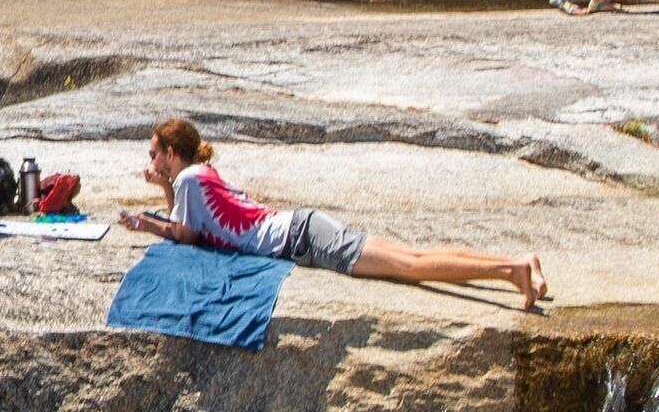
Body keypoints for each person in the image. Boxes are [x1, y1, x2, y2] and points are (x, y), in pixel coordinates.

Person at [117, 120, 547, 313]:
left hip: (304, 239)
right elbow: (187, 219)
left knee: (411, 268)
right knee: (412, 256)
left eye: (154, 153)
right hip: (305, 227)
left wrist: (145, 221)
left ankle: (510, 270)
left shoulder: (190, 179)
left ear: (171, 153)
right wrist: (161, 189)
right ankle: (522, 264)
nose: (150, 159)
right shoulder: (196, 174)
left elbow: (185, 234)